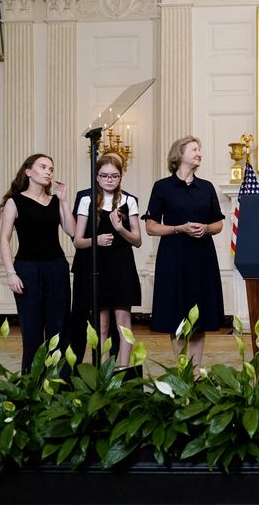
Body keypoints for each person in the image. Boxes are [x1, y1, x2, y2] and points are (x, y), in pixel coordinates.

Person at [143, 136, 226, 371]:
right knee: (175, 313)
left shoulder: (207, 187)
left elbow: (218, 224)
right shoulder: (162, 187)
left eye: (200, 150)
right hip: (173, 257)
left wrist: (206, 228)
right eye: (194, 149)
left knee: (200, 317)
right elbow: (151, 227)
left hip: (202, 257)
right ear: (179, 154)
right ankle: (182, 370)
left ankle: (196, 371)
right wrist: (178, 228)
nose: (199, 153)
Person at [0, 154, 75, 373]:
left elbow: (71, 231)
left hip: (56, 268)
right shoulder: (15, 201)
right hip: (27, 270)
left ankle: (61, 385)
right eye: (42, 167)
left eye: (51, 168)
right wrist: (11, 273)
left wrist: (63, 200)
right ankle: (32, 386)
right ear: (28, 171)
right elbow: (4, 239)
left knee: (59, 329)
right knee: (31, 331)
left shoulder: (55, 201)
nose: (48, 171)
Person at [73, 154, 142, 366]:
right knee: (101, 324)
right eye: (104, 175)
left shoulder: (129, 200)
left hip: (121, 266)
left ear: (121, 177)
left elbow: (138, 240)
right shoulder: (87, 199)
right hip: (97, 266)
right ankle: (103, 371)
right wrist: (97, 240)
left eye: (114, 176)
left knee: (123, 323)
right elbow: (77, 241)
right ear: (96, 176)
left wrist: (120, 228)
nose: (109, 180)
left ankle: (123, 369)